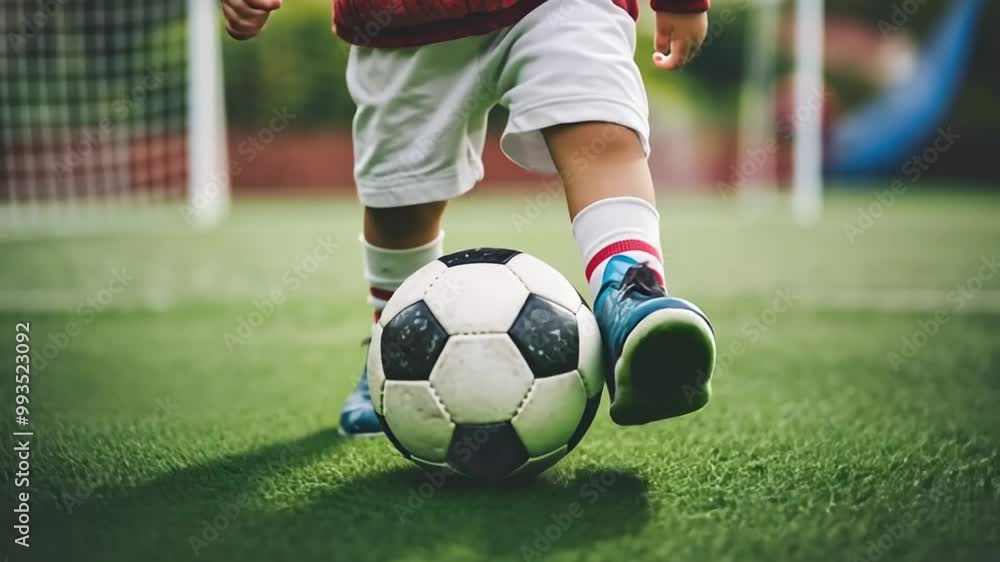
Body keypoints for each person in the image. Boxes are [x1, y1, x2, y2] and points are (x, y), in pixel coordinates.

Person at [222, 0, 717, 436]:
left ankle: (628, 293)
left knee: (601, 136)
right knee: (399, 201)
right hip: (401, 20)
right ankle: (396, 344)